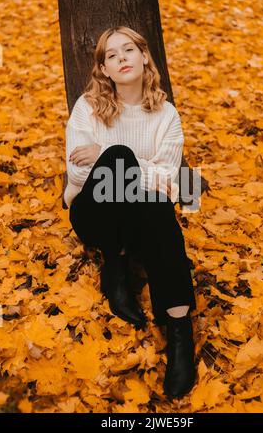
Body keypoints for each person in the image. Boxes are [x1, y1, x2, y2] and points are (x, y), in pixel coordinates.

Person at [64, 25, 197, 399]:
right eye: (112, 55)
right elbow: (76, 170)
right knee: (127, 166)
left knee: (154, 200)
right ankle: (116, 263)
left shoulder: (166, 115)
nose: (122, 58)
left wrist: (107, 156)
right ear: (104, 69)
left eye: (128, 50)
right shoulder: (87, 108)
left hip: (144, 215)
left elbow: (172, 182)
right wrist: (130, 163)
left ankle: (178, 329)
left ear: (143, 57)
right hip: (93, 215)